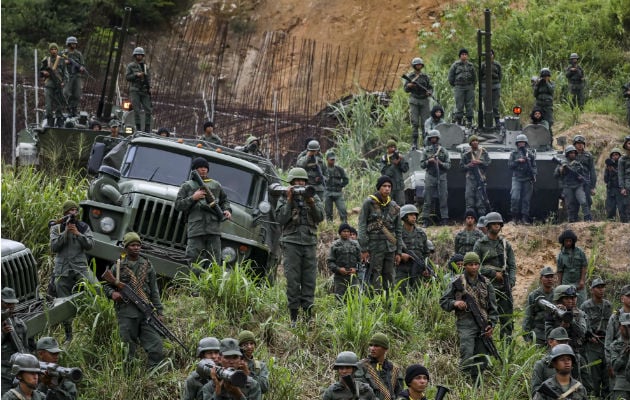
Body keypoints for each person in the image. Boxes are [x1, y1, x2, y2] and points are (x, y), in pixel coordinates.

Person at [103, 232, 164, 368]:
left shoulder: (147, 265)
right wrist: (113, 293)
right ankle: (128, 378)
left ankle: (153, 375)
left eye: (138, 245)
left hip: (145, 313)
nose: (136, 248)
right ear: (126, 247)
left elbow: (154, 291)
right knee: (127, 350)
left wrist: (159, 312)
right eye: (132, 245)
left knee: (156, 346)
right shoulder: (118, 266)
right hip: (126, 314)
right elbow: (106, 286)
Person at [440, 252, 498, 382]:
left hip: (483, 324)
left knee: (482, 357)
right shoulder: (457, 282)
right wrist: (455, 303)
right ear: (465, 266)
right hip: (465, 323)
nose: (474, 267)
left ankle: (477, 384)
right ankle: (463, 383)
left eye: (476, 264)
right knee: (467, 354)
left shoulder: (486, 283)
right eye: (470, 264)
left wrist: (491, 325)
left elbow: (493, 308)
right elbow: (443, 301)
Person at [276, 167, 324, 325]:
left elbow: (320, 217)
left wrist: (311, 202)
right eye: (297, 181)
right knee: (293, 280)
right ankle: (294, 317)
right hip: (291, 243)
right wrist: (289, 200)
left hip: (309, 243)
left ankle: (309, 315)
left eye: (302, 181)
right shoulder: (284, 197)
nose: (300, 184)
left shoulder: (313, 197)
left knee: (309, 280)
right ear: (291, 183)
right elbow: (281, 219)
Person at [50, 200, 95, 342]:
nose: (73, 212)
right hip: (62, 270)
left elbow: (90, 245)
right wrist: (65, 233)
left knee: (92, 292)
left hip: (80, 268)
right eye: (70, 210)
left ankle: (91, 329)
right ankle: (69, 335)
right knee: (63, 303)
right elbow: (54, 247)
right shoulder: (56, 228)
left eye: (75, 210)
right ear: (64, 213)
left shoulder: (83, 227)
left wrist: (77, 233)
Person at [175, 157, 232, 265]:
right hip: (196, 230)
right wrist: (193, 197)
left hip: (213, 230)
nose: (203, 169)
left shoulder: (215, 185)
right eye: (200, 167)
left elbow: (225, 201)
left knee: (214, 261)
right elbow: (178, 205)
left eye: (205, 167)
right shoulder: (187, 186)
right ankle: (193, 282)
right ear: (195, 169)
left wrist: (227, 210)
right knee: (193, 261)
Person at [473, 211, 516, 339]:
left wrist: (512, 280)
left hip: (504, 287)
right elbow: (475, 266)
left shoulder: (505, 244)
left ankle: (506, 347)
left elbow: (512, 265)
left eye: (498, 223)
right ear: (488, 226)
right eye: (494, 223)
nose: (497, 226)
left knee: (507, 320)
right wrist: (493, 273)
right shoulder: (480, 244)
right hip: (486, 287)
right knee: (485, 318)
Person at [358, 176, 402, 293]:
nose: (387, 189)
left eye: (389, 186)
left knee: (389, 277)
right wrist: (364, 248)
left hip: (390, 247)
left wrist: (399, 251)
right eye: (384, 186)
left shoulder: (394, 206)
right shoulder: (369, 203)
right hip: (374, 247)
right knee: (374, 276)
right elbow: (362, 226)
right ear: (379, 188)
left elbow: (398, 230)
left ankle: (389, 303)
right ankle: (375, 304)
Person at [531, 327, 589, 394]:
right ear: (550, 342)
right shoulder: (541, 365)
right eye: (560, 342)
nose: (563, 345)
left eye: (565, 342)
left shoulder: (573, 361)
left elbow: (582, 386)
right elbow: (535, 391)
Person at [580, 278, 612, 399]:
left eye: (603, 287)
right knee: (593, 376)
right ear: (592, 290)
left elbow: (610, 325)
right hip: (592, 345)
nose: (601, 290)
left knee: (606, 375)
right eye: (598, 287)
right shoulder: (585, 306)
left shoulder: (608, 305)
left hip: (605, 343)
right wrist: (588, 338)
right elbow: (581, 325)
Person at [354, 333, 403, 400]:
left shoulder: (395, 369)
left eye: (376, 346)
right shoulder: (362, 366)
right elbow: (361, 393)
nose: (372, 348)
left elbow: (400, 394)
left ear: (385, 349)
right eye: (371, 345)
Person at [544, 285, 588, 356]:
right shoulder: (552, 315)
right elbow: (549, 337)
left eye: (571, 298)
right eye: (566, 298)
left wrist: (570, 319)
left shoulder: (579, 314)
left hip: (575, 353)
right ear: (559, 300)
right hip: (556, 353)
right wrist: (562, 325)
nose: (570, 301)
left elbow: (582, 332)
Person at [1, 288, 29, 394]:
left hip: (18, 371)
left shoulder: (20, 324)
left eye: (12, 303)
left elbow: (26, 346)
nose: (10, 306)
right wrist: (3, 334)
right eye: (7, 303)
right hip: (3, 374)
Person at [420, 130, 450, 227]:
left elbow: (448, 165)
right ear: (429, 139)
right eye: (432, 138)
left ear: (437, 138)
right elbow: (422, 165)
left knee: (443, 198)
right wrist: (429, 161)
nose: (433, 139)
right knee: (427, 199)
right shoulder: (426, 151)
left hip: (441, 176)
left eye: (435, 138)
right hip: (430, 176)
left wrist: (440, 163)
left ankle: (445, 219)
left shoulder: (443, 151)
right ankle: (425, 220)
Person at [396, 205, 430, 293]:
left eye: (415, 214)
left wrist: (426, 267)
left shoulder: (421, 233)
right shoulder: (397, 233)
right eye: (411, 214)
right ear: (404, 217)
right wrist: (400, 254)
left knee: (417, 294)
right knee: (400, 294)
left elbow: (426, 253)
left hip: (418, 270)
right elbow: (389, 250)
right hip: (402, 269)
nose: (414, 217)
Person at [555, 146, 592, 222]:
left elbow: (584, 174)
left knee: (583, 201)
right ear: (567, 154)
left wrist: (580, 177)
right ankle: (572, 219)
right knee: (570, 204)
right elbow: (555, 175)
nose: (573, 154)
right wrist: (560, 170)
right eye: (571, 153)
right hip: (567, 186)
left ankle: (587, 217)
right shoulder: (562, 163)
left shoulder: (578, 163)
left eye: (574, 153)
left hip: (578, 186)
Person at [523, 266, 556, 346]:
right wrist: (527, 337)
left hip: (554, 333)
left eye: (551, 277)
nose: (550, 279)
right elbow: (528, 316)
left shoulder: (557, 294)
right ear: (541, 278)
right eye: (547, 277)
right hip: (538, 333)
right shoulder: (534, 295)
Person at [403, 57, 433, 147]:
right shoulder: (410, 76)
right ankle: (414, 143)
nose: (418, 66)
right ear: (414, 66)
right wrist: (409, 85)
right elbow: (405, 89)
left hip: (424, 100)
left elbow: (430, 87)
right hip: (414, 100)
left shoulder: (425, 77)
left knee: (425, 123)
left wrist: (429, 92)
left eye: (420, 64)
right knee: (415, 122)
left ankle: (425, 142)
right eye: (417, 64)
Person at [328, 223, 362, 301]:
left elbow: (360, 261)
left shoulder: (355, 244)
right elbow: (330, 262)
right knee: (340, 300)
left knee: (355, 299)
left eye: (348, 231)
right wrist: (338, 269)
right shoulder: (335, 245)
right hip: (339, 277)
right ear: (340, 233)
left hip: (353, 277)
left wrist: (355, 269)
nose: (346, 233)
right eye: (344, 231)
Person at [605, 285, 630, 388]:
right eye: (628, 296)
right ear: (622, 298)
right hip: (618, 356)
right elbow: (608, 341)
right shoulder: (615, 317)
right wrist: (609, 364)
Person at [508, 134, 537, 224]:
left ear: (526, 143)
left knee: (526, 199)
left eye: (523, 142)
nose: (521, 144)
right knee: (515, 197)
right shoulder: (514, 154)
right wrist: (518, 161)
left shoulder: (530, 154)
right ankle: (514, 217)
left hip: (528, 178)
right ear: (517, 144)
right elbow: (510, 165)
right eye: (520, 142)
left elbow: (534, 166)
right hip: (517, 178)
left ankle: (525, 218)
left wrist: (534, 175)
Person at [556, 229, 588, 305]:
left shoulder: (579, 252)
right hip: (566, 283)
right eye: (566, 241)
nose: (568, 243)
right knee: (567, 304)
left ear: (573, 241)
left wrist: (582, 280)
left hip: (578, 283)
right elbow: (560, 271)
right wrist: (559, 284)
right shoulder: (560, 255)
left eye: (570, 241)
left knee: (582, 302)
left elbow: (584, 265)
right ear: (563, 242)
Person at [461, 135, 491, 216]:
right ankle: (470, 218)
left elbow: (488, 163)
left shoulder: (483, 152)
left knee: (481, 199)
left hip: (481, 178)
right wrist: (469, 165)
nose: (475, 142)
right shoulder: (466, 154)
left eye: (476, 141)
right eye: (473, 141)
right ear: (470, 143)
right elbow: (462, 167)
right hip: (470, 178)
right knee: (469, 199)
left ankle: (482, 218)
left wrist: (480, 162)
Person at [40, 42, 68, 128]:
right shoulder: (46, 60)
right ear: (49, 50)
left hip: (59, 85)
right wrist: (44, 73)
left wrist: (64, 82)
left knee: (59, 104)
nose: (53, 51)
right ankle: (50, 121)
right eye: (52, 49)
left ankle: (59, 120)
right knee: (48, 106)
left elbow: (66, 74)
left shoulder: (61, 60)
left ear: (57, 50)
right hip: (49, 85)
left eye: (55, 49)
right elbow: (40, 72)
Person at [125, 47, 152, 132]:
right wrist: (136, 75)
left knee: (148, 110)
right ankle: (138, 127)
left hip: (144, 91)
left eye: (141, 55)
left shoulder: (145, 67)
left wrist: (149, 87)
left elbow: (148, 78)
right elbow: (127, 77)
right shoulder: (131, 66)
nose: (139, 56)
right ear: (135, 55)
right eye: (138, 55)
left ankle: (147, 128)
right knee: (136, 110)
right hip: (135, 90)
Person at [447, 48, 476, 126]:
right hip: (459, 87)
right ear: (460, 56)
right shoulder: (455, 65)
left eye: (465, 54)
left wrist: (472, 86)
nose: (464, 56)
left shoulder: (470, 65)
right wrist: (455, 85)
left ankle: (469, 121)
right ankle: (459, 121)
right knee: (459, 105)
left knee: (469, 104)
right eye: (462, 54)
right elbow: (450, 77)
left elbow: (474, 77)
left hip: (469, 86)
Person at [573, 135, 597, 217]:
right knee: (574, 201)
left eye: (581, 143)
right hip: (574, 181)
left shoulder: (588, 155)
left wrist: (593, 186)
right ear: (574, 145)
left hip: (586, 181)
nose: (580, 145)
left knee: (587, 200)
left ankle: (587, 218)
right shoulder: (571, 154)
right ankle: (574, 219)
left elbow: (592, 171)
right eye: (578, 143)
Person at [380, 140, 409, 206]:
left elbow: (405, 169)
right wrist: (394, 164)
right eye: (391, 147)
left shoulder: (398, 156)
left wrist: (400, 161)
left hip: (399, 186)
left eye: (394, 147)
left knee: (401, 205)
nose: (393, 149)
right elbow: (385, 173)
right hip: (389, 187)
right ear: (388, 148)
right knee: (388, 205)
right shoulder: (384, 158)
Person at [62, 36, 85, 117]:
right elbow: (59, 63)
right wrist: (66, 62)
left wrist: (81, 68)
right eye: (72, 43)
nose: (74, 45)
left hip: (77, 76)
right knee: (66, 93)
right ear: (68, 44)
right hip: (67, 76)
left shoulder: (78, 54)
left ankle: (73, 109)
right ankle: (68, 108)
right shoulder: (64, 53)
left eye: (75, 43)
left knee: (77, 94)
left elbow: (82, 64)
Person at [609, 312, 630, 400]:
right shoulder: (615, 345)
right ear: (621, 327)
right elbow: (615, 367)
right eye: (626, 326)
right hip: (622, 386)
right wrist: (624, 354)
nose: (629, 329)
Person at [324, 151, 349, 223]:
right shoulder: (324, 169)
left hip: (338, 193)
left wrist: (341, 185)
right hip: (328, 192)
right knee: (328, 212)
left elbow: (346, 180)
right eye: (331, 159)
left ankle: (344, 225)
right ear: (327, 159)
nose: (333, 161)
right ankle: (329, 226)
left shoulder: (339, 169)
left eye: (334, 159)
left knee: (343, 210)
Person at [480, 49, 502, 126]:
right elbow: (479, 76)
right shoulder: (482, 65)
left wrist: (496, 83)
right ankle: (487, 122)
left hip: (495, 86)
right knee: (487, 105)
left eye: (491, 54)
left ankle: (497, 120)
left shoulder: (497, 65)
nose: (490, 56)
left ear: (493, 55)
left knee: (495, 105)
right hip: (485, 87)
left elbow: (500, 76)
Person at [605, 148, 626, 221]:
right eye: (613, 155)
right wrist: (608, 170)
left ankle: (625, 226)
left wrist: (614, 170)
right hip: (611, 190)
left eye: (616, 154)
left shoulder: (623, 164)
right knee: (610, 210)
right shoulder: (609, 166)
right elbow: (606, 180)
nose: (615, 156)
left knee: (623, 210)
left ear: (620, 156)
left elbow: (622, 176)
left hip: (620, 190)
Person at [533, 68, 555, 133]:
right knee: (537, 120)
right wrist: (537, 84)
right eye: (543, 77)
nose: (545, 78)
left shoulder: (551, 83)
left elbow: (551, 91)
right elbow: (535, 94)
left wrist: (546, 82)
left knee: (549, 122)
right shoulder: (539, 84)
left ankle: (549, 137)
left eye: (546, 76)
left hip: (548, 106)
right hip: (539, 106)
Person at [620, 136, 630, 222]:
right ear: (626, 145)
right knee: (627, 205)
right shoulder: (622, 159)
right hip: (627, 185)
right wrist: (622, 188)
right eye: (629, 143)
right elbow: (621, 174)